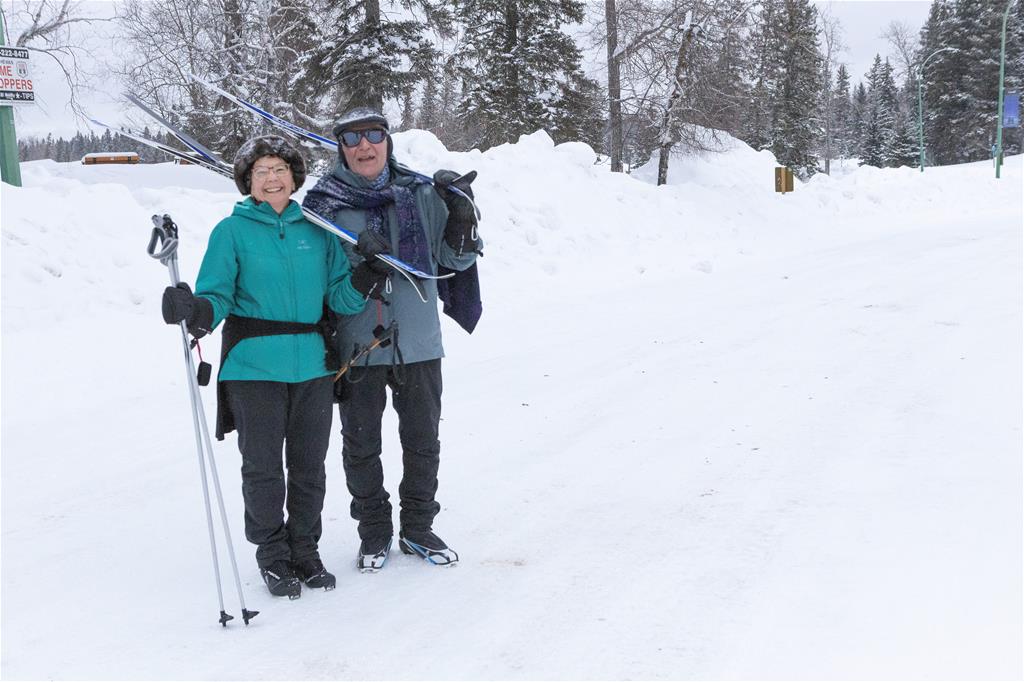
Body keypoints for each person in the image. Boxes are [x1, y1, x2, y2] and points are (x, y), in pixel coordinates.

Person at [161, 135, 389, 598]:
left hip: (312, 366)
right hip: (253, 367)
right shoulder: (233, 231)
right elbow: (217, 293)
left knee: (309, 467)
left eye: (280, 169)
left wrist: (368, 272)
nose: (272, 178)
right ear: (248, 180)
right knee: (262, 468)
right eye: (261, 170)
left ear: (294, 177)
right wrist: (196, 311)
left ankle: (305, 551)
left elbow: (340, 298)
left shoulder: (316, 229)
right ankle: (272, 556)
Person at [302, 107, 482, 572]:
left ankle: (418, 527)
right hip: (359, 344)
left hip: (419, 343)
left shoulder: (420, 193)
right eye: (353, 139)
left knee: (423, 440)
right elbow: (320, 280)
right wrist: (360, 265)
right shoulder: (324, 205)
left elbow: (452, 263)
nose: (364, 147)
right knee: (360, 446)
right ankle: (374, 532)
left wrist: (461, 217)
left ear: (387, 141)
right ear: (341, 148)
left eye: (373, 136)